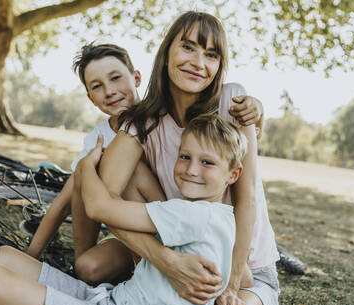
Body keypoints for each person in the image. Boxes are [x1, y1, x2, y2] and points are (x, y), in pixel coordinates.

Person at [0, 114, 250, 305]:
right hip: (111, 300)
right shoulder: (221, 219)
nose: (191, 169)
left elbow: (100, 206)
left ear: (233, 174)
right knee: (6, 257)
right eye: (185, 157)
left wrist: (87, 166)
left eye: (206, 162)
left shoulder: (192, 214)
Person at [82, 11, 280, 305]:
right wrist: (166, 261)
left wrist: (230, 286)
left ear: (218, 66)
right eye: (188, 47)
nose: (199, 62)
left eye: (211, 54)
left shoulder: (234, 102)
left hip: (246, 272)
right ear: (166, 52)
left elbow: (247, 199)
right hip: (183, 255)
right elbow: (106, 201)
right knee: (123, 172)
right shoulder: (143, 121)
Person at [26, 41, 266, 285]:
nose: (110, 91)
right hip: (137, 226)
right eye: (97, 86)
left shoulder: (162, 114)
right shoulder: (99, 138)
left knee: (110, 173)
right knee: (87, 264)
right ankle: (82, 275)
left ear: (137, 77)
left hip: (178, 218)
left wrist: (258, 111)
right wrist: (31, 256)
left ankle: (156, 272)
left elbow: (233, 140)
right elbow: (66, 200)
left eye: (116, 78)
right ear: (90, 98)